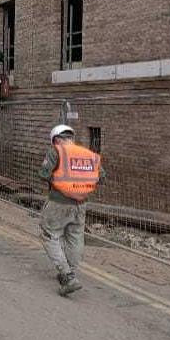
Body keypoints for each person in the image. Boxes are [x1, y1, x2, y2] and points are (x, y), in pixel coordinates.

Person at [38, 124, 105, 296]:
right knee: (75, 238)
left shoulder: (57, 151)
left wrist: (58, 181)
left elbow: (44, 174)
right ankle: (70, 272)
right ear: (72, 138)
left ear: (56, 140)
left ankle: (67, 276)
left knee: (49, 235)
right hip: (81, 204)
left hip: (59, 202)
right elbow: (101, 177)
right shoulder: (90, 155)